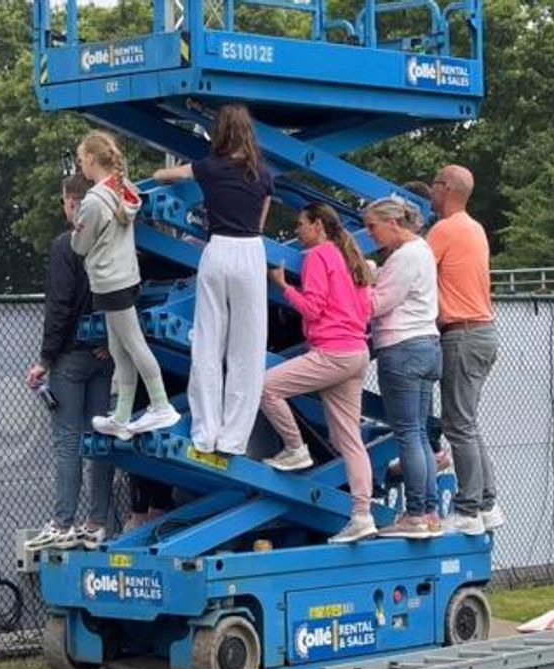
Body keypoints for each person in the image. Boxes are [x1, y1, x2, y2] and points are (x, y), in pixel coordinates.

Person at [153, 104, 273, 456]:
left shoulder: (209, 168)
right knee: (247, 350)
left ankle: (205, 431)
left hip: (217, 249)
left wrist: (162, 172)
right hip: (250, 250)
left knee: (208, 343)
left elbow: (165, 176)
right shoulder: (263, 176)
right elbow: (260, 224)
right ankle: (234, 438)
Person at [263, 203, 377, 543]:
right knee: (349, 440)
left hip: (333, 351)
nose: (298, 231)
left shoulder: (317, 256)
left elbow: (313, 308)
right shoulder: (350, 258)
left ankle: (295, 447)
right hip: (356, 352)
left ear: (317, 225)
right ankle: (362, 514)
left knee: (267, 388)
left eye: (301, 224)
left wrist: (284, 287)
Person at [24, 174, 116, 550]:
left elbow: (59, 305)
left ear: (71, 203)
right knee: (101, 440)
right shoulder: (111, 242)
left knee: (68, 441)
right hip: (104, 354)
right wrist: (112, 340)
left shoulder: (66, 246)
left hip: (71, 356)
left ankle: (62, 523)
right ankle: (97, 522)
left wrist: (46, 359)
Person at [72, 130, 181, 440]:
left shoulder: (93, 201)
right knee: (120, 350)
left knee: (133, 345)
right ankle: (121, 416)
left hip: (109, 281)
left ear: (92, 160)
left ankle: (161, 405)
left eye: (82, 161)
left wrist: (74, 232)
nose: (81, 167)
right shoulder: (124, 189)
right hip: (126, 276)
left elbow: (80, 246)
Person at [428, 165, 502, 535]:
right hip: (484, 332)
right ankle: (487, 503)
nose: (430, 190)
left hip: (462, 333)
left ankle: (469, 508)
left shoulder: (444, 230)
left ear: (445, 188)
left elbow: (418, 271)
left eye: (434, 183)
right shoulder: (475, 228)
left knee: (458, 425)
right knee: (467, 424)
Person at [365, 196, 444, 539]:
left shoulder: (403, 257)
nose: (370, 234)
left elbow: (379, 303)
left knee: (408, 433)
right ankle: (427, 510)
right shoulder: (423, 251)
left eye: (373, 226)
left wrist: (366, 282)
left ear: (393, 223)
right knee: (420, 433)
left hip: (402, 347)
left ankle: (414, 513)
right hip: (427, 344)